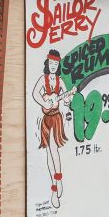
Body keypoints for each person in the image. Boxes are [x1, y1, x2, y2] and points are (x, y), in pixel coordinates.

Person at [31, 49, 73, 207]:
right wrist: (44, 103)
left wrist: (68, 97)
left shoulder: (60, 81)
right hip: (46, 118)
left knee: (54, 149)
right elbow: (35, 94)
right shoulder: (43, 79)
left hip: (56, 118)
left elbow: (67, 101)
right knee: (49, 151)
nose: (53, 66)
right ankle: (54, 186)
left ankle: (58, 182)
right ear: (47, 64)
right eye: (51, 63)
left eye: (56, 64)